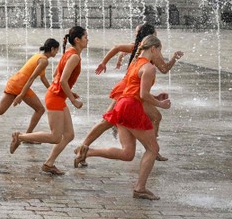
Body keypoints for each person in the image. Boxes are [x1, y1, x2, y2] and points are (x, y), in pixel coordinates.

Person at [76, 35, 171, 200]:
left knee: (128, 154)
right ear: (153, 49)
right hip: (131, 107)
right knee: (153, 149)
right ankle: (140, 188)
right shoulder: (149, 68)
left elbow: (137, 91)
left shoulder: (136, 63)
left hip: (122, 105)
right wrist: (160, 104)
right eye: (159, 51)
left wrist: (155, 96)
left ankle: (87, 152)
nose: (160, 56)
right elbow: (143, 94)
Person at [74, 23, 183, 165]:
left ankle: (152, 150)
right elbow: (164, 69)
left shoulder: (141, 49)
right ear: (152, 35)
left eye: (137, 32)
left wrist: (109, 61)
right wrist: (174, 58)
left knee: (154, 117)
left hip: (131, 91)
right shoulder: (149, 50)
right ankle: (83, 148)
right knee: (107, 121)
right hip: (127, 92)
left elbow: (119, 49)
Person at [9, 26, 88, 176]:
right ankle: (19, 137)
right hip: (55, 98)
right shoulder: (74, 56)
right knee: (55, 137)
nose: (87, 39)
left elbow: (56, 76)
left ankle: (48, 164)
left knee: (69, 135)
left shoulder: (70, 53)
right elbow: (63, 80)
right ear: (77, 40)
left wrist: (69, 92)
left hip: (57, 96)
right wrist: (72, 100)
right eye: (85, 37)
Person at [0, 38, 60, 135]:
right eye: (57, 50)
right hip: (19, 85)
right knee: (39, 109)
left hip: (18, 83)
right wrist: (21, 95)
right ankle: (27, 136)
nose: (57, 52)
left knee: (1, 110)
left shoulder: (39, 56)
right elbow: (31, 78)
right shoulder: (44, 61)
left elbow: (43, 78)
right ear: (52, 49)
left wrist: (52, 91)